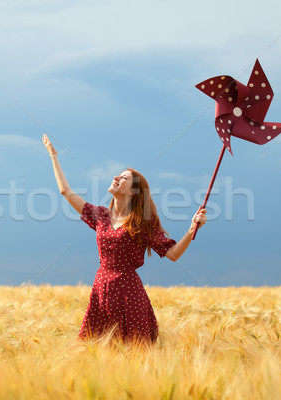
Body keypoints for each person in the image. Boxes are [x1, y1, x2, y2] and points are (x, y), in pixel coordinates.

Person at [42, 134, 206, 343]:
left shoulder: (142, 222)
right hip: (101, 291)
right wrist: (54, 155)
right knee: (92, 354)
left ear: (133, 192)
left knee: (135, 354)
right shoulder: (100, 215)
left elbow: (172, 254)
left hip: (129, 295)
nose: (116, 178)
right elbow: (66, 191)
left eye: (124, 178)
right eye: (117, 175)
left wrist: (192, 229)